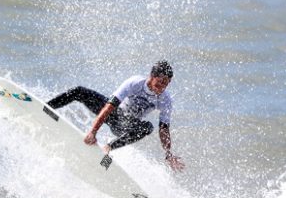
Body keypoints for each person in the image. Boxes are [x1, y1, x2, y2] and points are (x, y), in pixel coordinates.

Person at [47, 60, 185, 171]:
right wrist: (93, 132)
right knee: (79, 91)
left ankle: (108, 148)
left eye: (166, 84)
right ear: (152, 76)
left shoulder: (165, 100)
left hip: (127, 126)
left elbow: (164, 129)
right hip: (114, 114)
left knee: (147, 127)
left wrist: (168, 154)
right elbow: (109, 107)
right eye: (160, 81)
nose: (162, 87)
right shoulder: (135, 83)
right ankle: (46, 107)